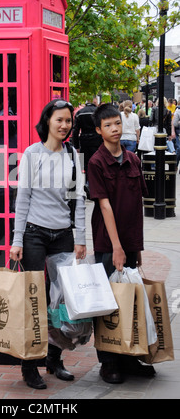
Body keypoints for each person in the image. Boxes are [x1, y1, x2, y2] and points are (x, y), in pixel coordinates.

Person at [10, 99, 86, 390]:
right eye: (59, 120)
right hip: (34, 234)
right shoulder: (32, 154)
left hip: (63, 235)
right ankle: (29, 365)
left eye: (68, 121)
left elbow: (78, 199)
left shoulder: (72, 155)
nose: (65, 125)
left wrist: (80, 237)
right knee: (35, 301)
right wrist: (17, 240)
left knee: (61, 303)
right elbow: (23, 199)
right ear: (48, 121)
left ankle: (54, 359)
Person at [87, 103, 156, 384]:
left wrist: (136, 248)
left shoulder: (133, 160)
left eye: (117, 123)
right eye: (108, 125)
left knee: (130, 302)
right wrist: (116, 247)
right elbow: (105, 207)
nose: (115, 129)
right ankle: (109, 362)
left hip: (129, 243)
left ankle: (129, 358)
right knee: (108, 304)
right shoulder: (96, 163)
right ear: (99, 130)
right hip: (108, 244)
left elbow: (136, 206)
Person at [71, 96, 103, 176]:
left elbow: (75, 130)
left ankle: (83, 180)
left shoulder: (80, 113)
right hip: (97, 140)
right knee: (96, 162)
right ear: (95, 101)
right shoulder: (99, 112)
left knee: (83, 164)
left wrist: (76, 145)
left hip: (84, 141)